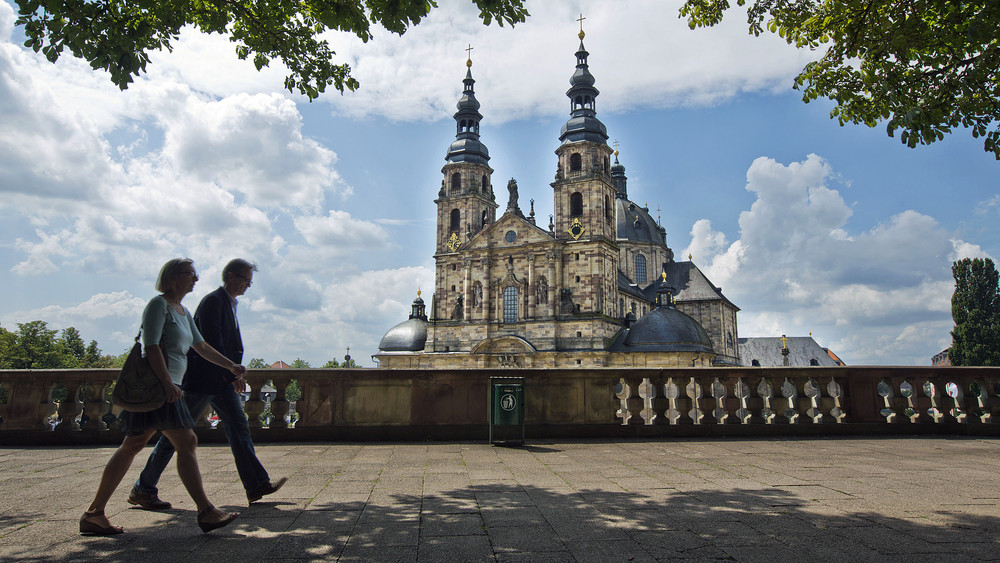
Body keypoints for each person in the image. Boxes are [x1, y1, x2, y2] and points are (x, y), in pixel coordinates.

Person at [80, 258, 243, 536]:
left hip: (169, 387)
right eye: (190, 274)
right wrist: (167, 383)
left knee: (133, 445)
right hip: (160, 389)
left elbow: (201, 345)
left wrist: (231, 365)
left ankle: (94, 513)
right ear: (173, 277)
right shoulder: (159, 305)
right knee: (186, 440)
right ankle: (206, 511)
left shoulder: (182, 311)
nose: (196, 279)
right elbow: (151, 346)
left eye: (195, 274)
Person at [130, 259, 286, 509]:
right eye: (246, 280)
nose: (248, 285)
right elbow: (208, 344)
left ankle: (256, 484)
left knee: (238, 428)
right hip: (202, 381)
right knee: (175, 437)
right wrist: (231, 373)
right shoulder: (213, 301)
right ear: (232, 277)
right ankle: (143, 487)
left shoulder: (224, 302)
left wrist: (232, 373)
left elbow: (207, 345)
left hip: (217, 380)